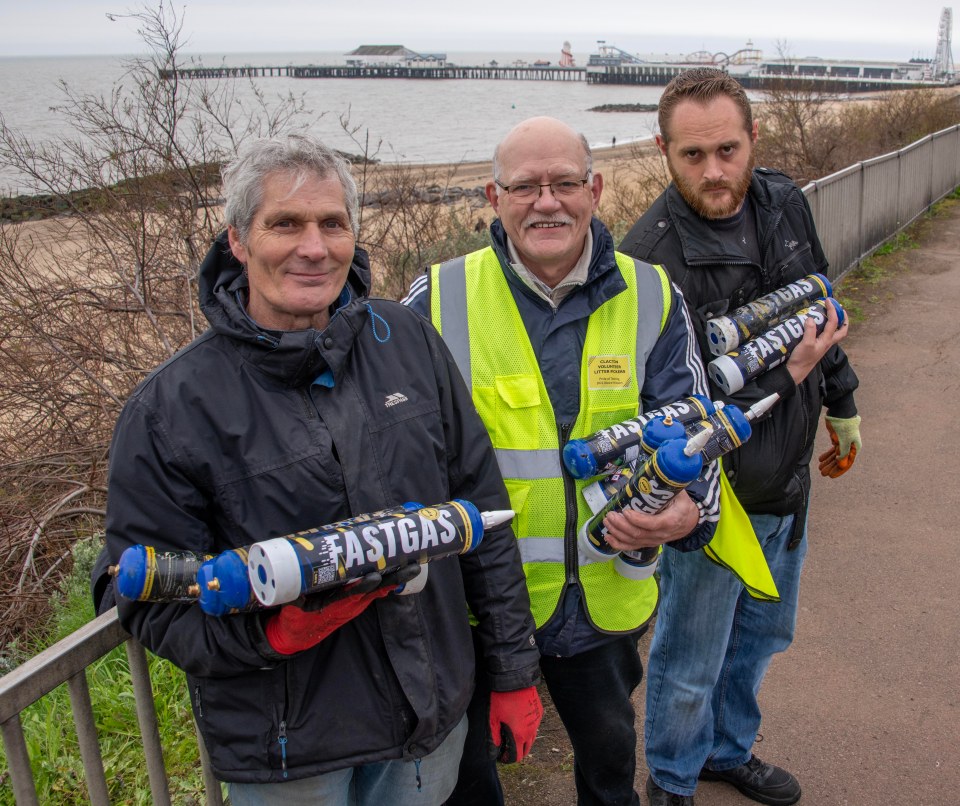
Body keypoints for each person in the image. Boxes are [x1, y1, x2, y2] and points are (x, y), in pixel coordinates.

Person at [103, 134, 544, 805]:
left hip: (429, 727)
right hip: (291, 757)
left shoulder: (411, 342)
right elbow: (136, 593)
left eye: (332, 223)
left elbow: (480, 507)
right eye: (285, 223)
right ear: (239, 242)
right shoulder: (172, 406)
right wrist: (267, 633)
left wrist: (513, 671)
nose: (314, 247)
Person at [404, 116, 721, 806]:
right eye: (524, 186)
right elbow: (393, 444)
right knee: (469, 781)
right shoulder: (435, 300)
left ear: (595, 189)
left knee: (609, 766)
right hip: (478, 610)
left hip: (605, 600)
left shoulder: (654, 296)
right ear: (493, 196)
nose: (546, 201)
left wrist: (690, 512)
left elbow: (699, 429)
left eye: (564, 183)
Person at [619, 68, 861, 806]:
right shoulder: (650, 260)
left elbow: (817, 303)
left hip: (789, 473)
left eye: (727, 148)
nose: (714, 171)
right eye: (692, 156)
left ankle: (726, 751)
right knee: (691, 654)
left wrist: (842, 397)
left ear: (754, 137)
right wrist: (794, 374)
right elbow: (682, 405)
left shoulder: (784, 200)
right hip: (715, 491)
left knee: (763, 634)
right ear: (662, 150)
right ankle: (673, 777)